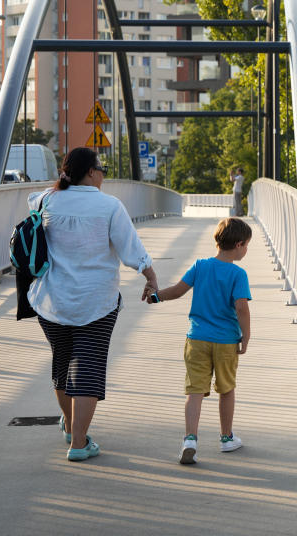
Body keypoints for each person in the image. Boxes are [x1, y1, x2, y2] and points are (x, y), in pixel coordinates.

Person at [28, 147, 158, 462]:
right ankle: (79, 443)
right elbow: (133, 251)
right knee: (87, 368)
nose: (103, 174)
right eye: (101, 167)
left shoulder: (47, 200)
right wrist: (151, 279)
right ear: (90, 172)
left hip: (52, 302)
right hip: (97, 302)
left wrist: (60, 183)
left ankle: (72, 426)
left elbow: (33, 200)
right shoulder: (109, 206)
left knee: (63, 363)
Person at [145, 217, 252, 465]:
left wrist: (155, 298)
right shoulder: (238, 274)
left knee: (194, 391)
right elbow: (241, 308)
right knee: (226, 389)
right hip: (225, 341)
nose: (246, 250)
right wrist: (246, 338)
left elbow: (178, 290)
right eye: (246, 245)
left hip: (197, 339)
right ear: (238, 244)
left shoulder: (200, 266)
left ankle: (190, 438)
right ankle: (226, 438)